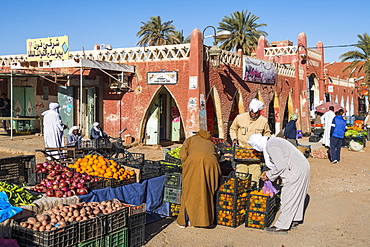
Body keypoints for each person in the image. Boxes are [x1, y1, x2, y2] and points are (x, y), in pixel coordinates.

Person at [248, 133, 310, 234]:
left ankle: (281, 226)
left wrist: (268, 175)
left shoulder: (271, 146)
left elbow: (281, 166)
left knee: (287, 196)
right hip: (302, 166)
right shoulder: (273, 141)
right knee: (297, 195)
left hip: (296, 169)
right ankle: (294, 220)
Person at [176, 130, 221, 228]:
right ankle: (206, 221)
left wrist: (185, 164)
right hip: (212, 166)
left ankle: (185, 221)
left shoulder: (191, 140)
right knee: (206, 192)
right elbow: (216, 157)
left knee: (188, 192)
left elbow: (183, 154)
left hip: (194, 164)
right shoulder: (210, 143)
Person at [229, 98, 271, 185]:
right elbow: (233, 129)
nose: (254, 114)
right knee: (241, 178)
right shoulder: (240, 118)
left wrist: (264, 143)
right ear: (250, 110)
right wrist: (234, 139)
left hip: (255, 155)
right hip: (241, 153)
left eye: (256, 113)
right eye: (252, 112)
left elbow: (267, 133)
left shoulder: (263, 121)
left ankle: (252, 193)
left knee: (255, 179)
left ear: (259, 112)